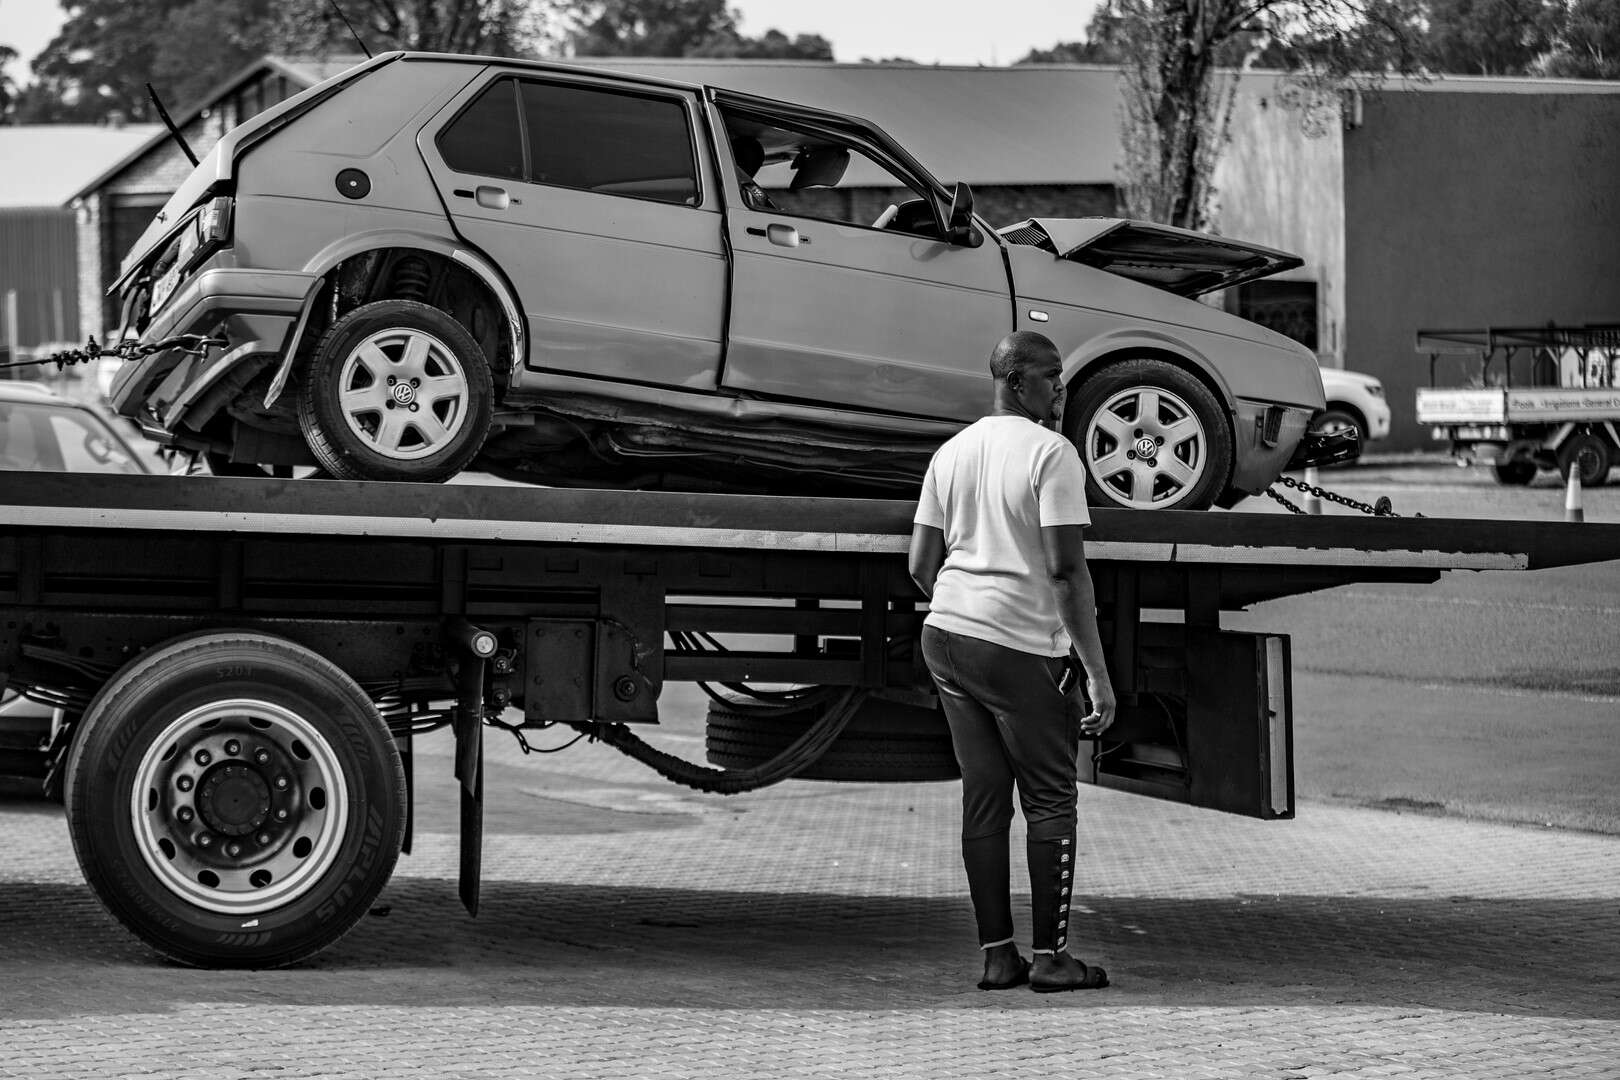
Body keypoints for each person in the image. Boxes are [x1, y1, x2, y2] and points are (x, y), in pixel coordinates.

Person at [907, 330, 1118, 993]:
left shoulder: (952, 452)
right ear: (1016, 381)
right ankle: (1051, 960)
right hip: (1015, 646)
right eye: (1051, 376)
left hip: (947, 635)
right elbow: (1066, 573)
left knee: (985, 794)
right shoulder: (1052, 454)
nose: (1061, 389)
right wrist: (1097, 675)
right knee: (1051, 798)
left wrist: (968, 601)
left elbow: (920, 564)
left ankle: (999, 957)